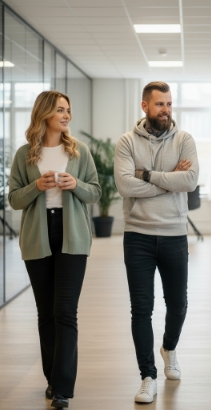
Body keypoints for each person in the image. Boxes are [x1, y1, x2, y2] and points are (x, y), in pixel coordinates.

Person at [8, 91, 101, 409]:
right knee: (45, 313)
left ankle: (62, 389)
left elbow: (95, 193)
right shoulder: (24, 155)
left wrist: (75, 184)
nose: (66, 115)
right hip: (37, 237)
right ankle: (52, 380)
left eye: (68, 110)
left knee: (65, 312)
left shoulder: (79, 151)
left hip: (72, 236)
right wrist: (37, 186)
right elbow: (14, 200)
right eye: (60, 110)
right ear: (45, 113)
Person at [114, 81, 199, 404]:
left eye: (169, 104)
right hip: (138, 236)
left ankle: (169, 348)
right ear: (145, 106)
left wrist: (147, 175)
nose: (166, 110)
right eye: (159, 104)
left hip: (175, 234)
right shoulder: (126, 142)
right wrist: (168, 181)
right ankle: (147, 375)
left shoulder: (184, 139)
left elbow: (189, 181)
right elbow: (125, 186)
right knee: (141, 309)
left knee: (178, 304)